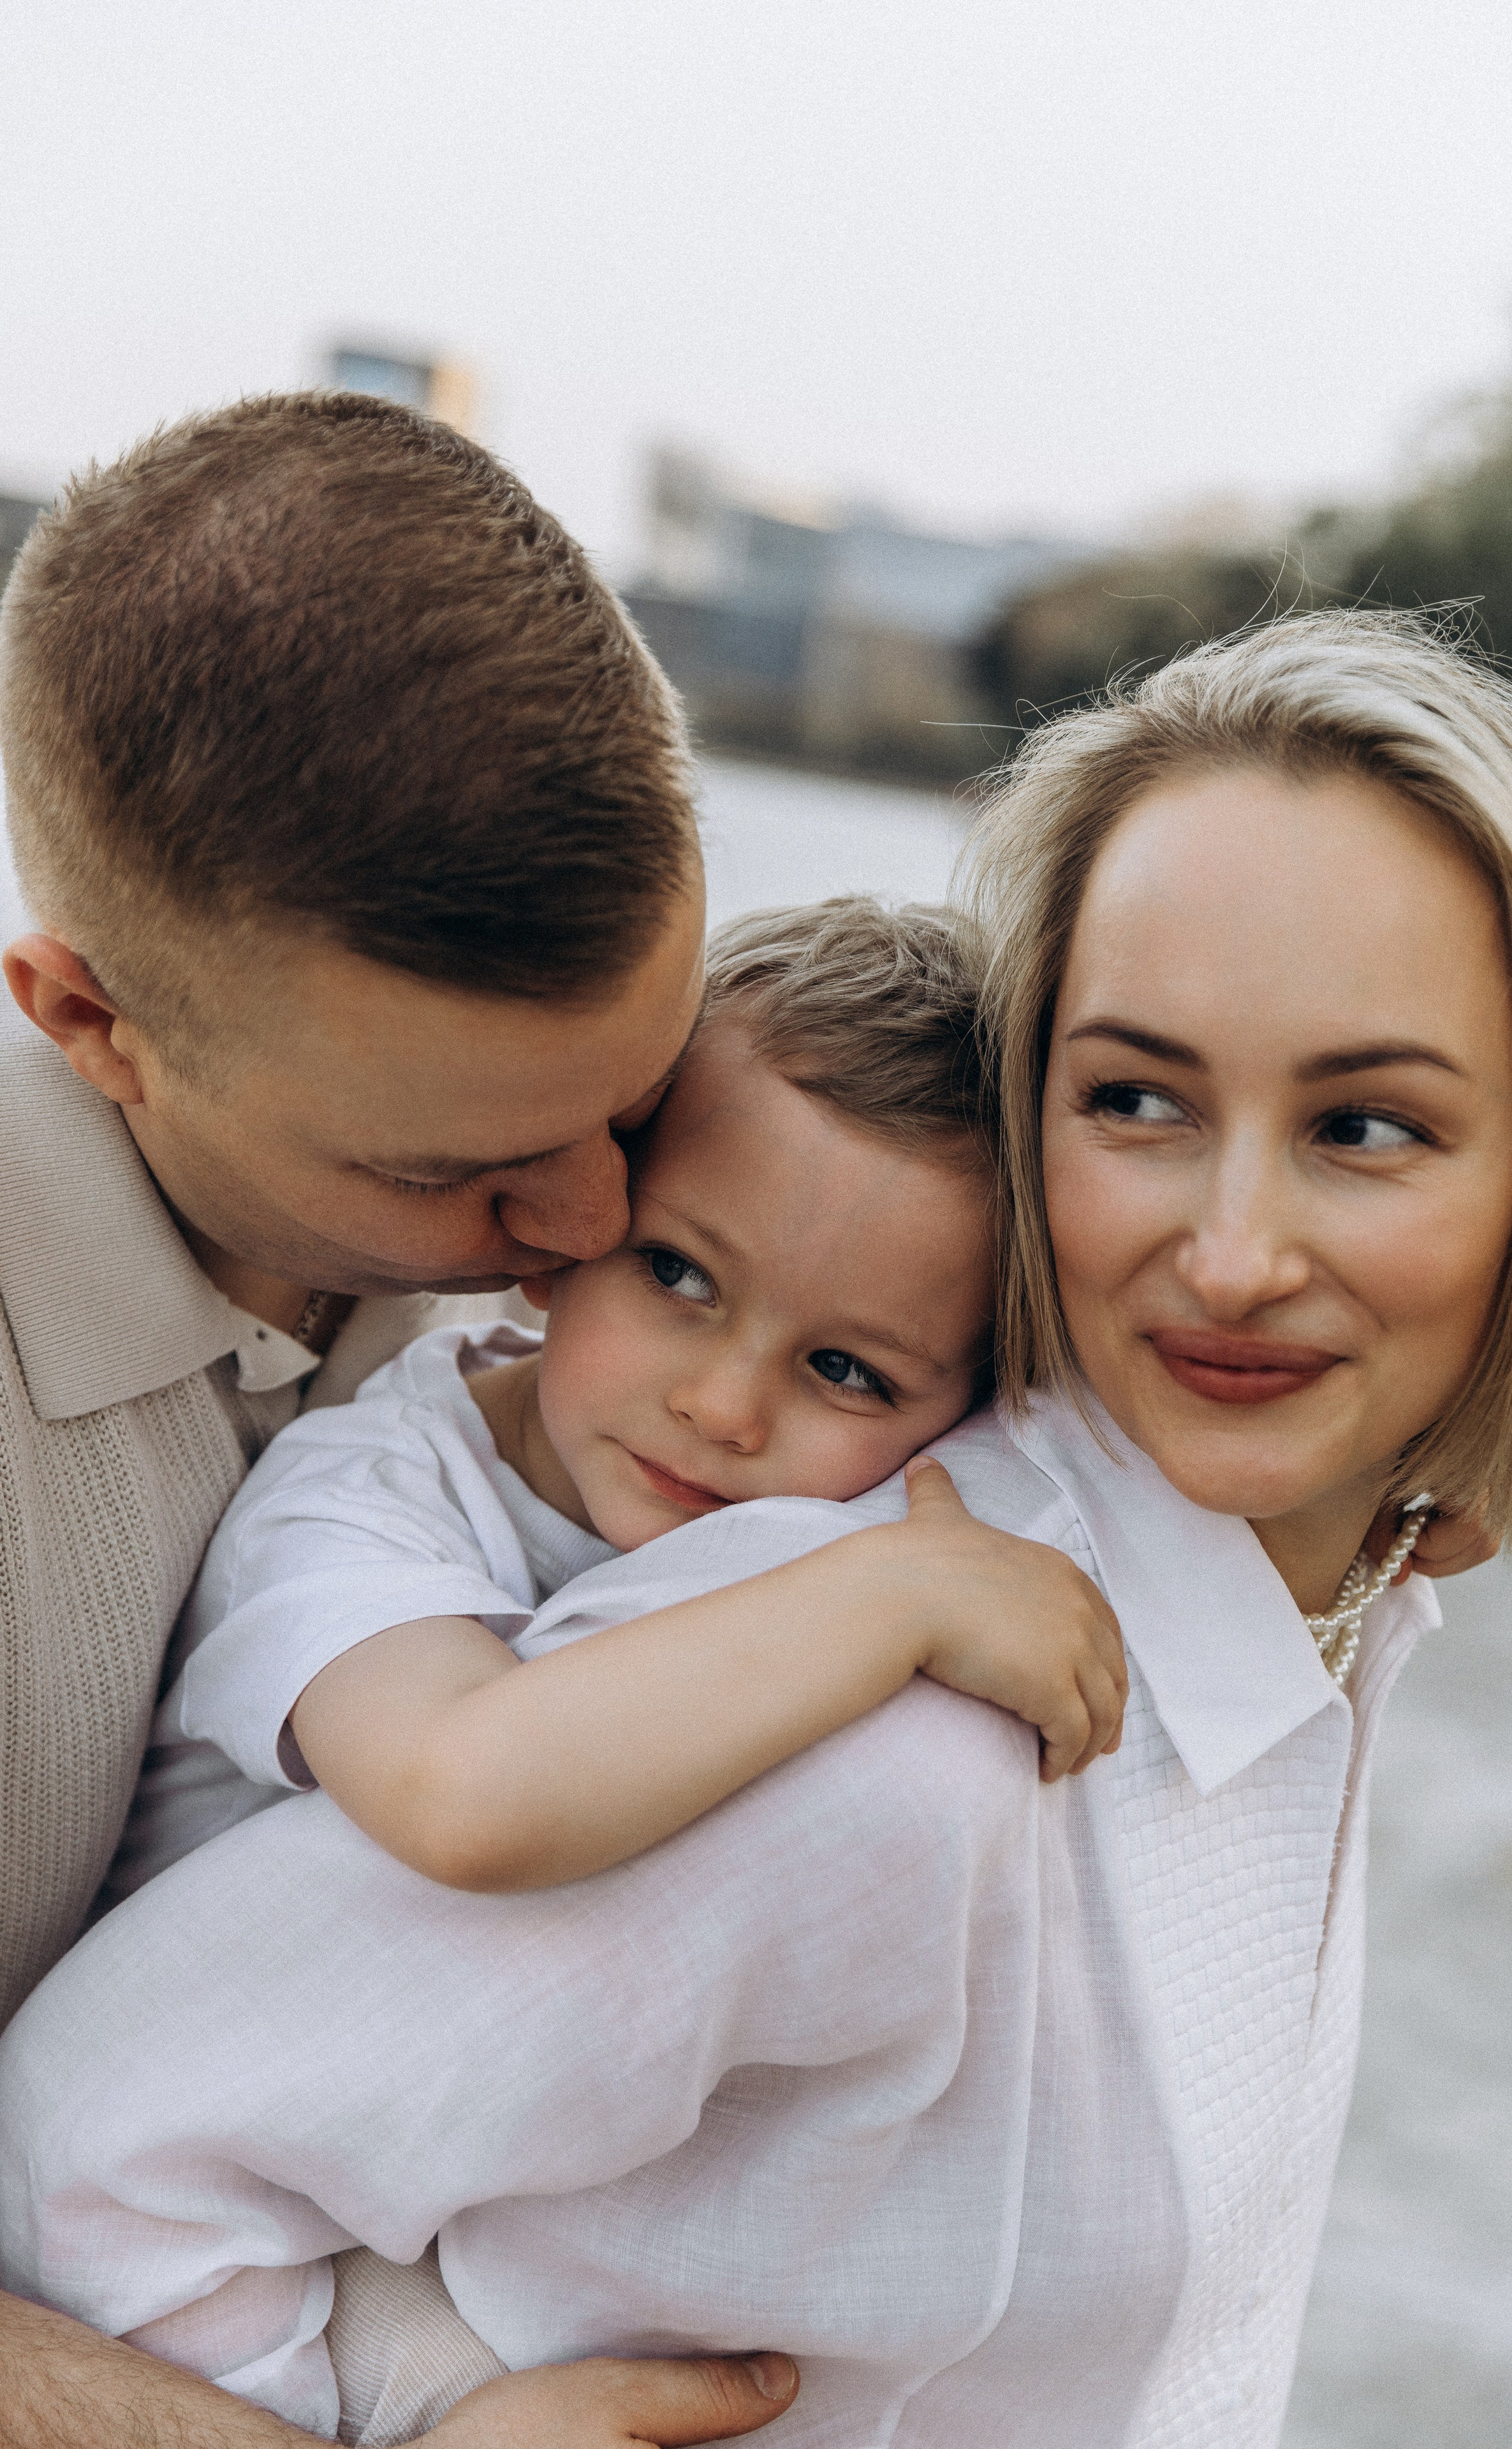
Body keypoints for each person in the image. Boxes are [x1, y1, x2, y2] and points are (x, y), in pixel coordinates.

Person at [7, 610, 1512, 2448]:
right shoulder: (865, 1708)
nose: (1236, 1255)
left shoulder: (1330, 1583)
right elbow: (98, 2142)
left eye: (1370, 1125)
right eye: (1136, 1099)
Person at [0, 394, 800, 2447]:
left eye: (632, 1105)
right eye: (463, 1175)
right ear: (93, 1025)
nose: (603, 1230)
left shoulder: (612, 1181)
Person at [113, 898, 1126, 1909]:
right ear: (567, 1238)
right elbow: (458, 1795)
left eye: (846, 1371)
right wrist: (901, 1598)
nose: (725, 1407)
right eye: (678, 1275)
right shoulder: (348, 1503)